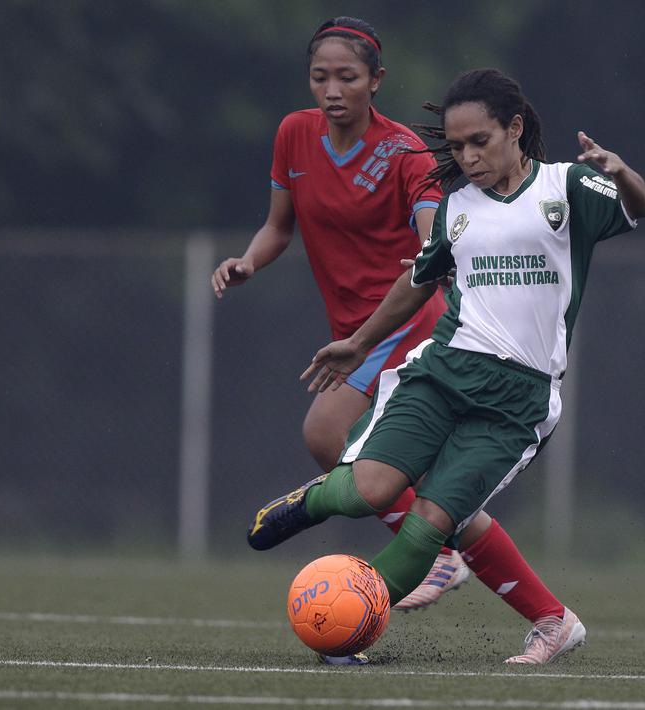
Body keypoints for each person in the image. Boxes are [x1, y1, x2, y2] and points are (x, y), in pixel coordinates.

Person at [246, 67, 645, 663]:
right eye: (456, 146)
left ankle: (353, 624)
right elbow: (420, 278)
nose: (466, 156)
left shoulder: (567, 188)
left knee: (433, 520)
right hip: (442, 370)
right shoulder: (458, 207)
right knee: (369, 490)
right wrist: (359, 343)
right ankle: (311, 502)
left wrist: (623, 173)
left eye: (479, 141)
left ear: (515, 129)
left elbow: (640, 207)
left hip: (519, 398)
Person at [213, 18, 572, 663]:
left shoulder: (406, 151)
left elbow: (438, 239)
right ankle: (544, 613)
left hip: (406, 323)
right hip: (353, 330)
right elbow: (277, 226)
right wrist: (248, 261)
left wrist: (452, 238)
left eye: (347, 77)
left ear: (376, 81)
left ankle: (428, 558)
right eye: (320, 76)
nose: (332, 90)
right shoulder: (295, 134)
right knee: (445, 497)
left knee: (326, 433)